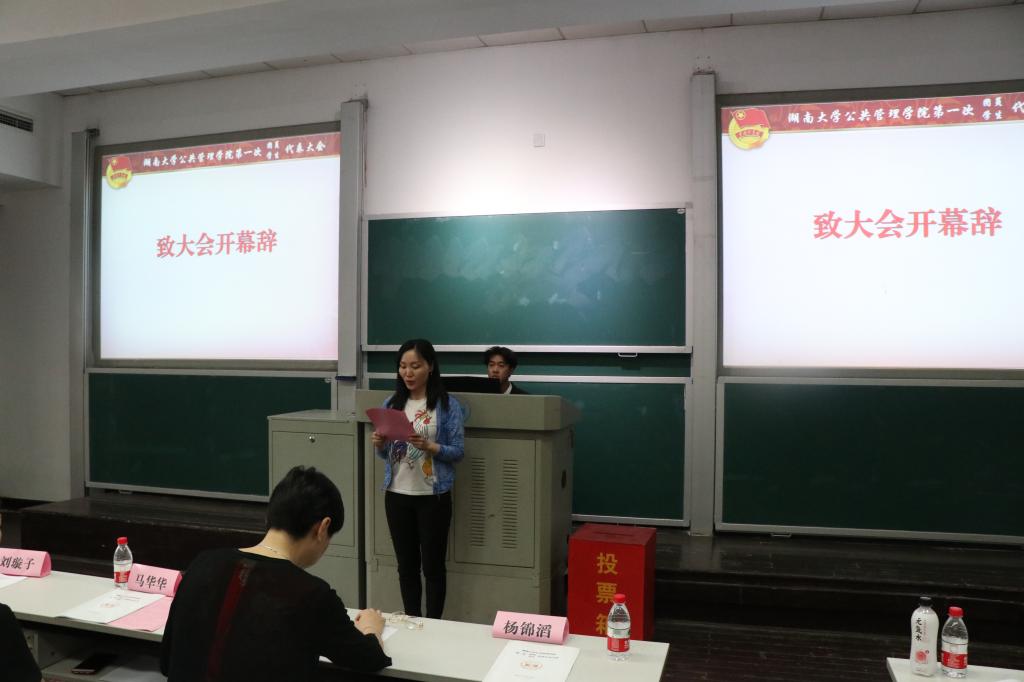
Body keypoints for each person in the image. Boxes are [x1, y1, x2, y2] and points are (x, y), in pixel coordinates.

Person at [160, 466, 391, 682]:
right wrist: (371, 627)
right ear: (322, 528)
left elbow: (167, 661)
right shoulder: (312, 594)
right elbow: (370, 659)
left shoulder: (203, 563)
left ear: (269, 517)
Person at [371, 338, 464, 619]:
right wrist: (379, 444)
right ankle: (412, 619)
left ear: (430, 367)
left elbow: (458, 451)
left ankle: (434, 623)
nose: (408, 373)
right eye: (403, 366)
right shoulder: (392, 403)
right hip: (397, 494)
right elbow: (387, 454)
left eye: (415, 366)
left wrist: (431, 446)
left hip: (433, 497)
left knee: (433, 568)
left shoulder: (446, 405)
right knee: (406, 566)